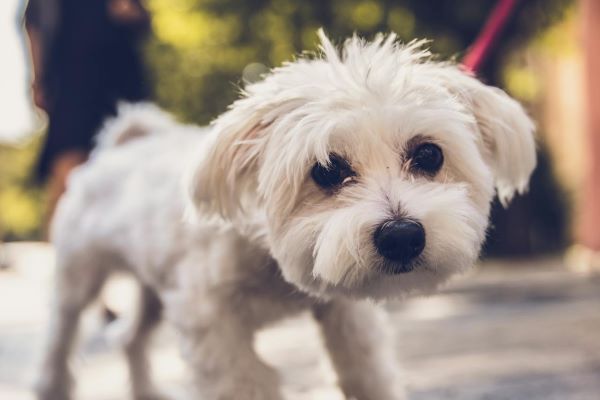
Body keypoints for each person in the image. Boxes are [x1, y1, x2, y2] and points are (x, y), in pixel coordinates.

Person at [24, 0, 151, 233]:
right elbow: (34, 22)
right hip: (71, 78)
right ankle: (59, 253)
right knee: (69, 167)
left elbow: (142, 19)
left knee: (129, 168)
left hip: (120, 79)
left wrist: (130, 11)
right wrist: (38, 80)